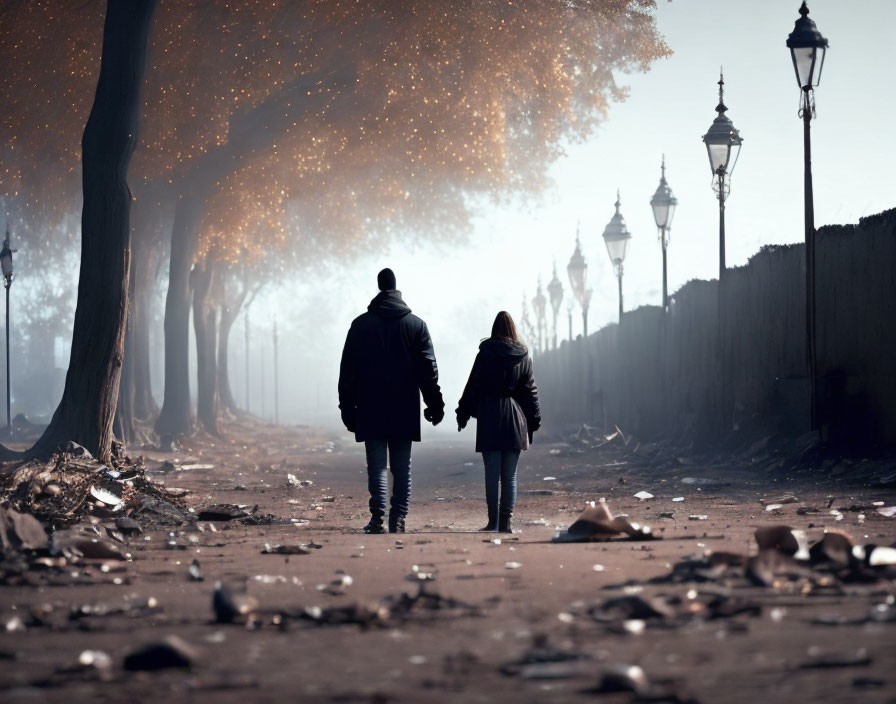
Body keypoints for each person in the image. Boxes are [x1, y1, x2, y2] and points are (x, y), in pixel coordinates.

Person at [338, 268, 444, 534]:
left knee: (376, 467)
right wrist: (434, 403)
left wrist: (347, 408)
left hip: (370, 405)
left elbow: (348, 371)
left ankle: (377, 518)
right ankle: (398, 518)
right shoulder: (416, 326)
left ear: (378, 286)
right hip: (404, 406)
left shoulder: (360, 325)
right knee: (401, 468)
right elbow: (427, 370)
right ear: (397, 288)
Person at [456, 311, 540, 533]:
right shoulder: (523, 355)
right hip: (515, 417)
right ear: (513, 329)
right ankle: (506, 523)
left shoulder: (485, 354)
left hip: (490, 416)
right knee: (509, 476)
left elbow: (473, 386)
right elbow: (530, 392)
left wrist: (462, 412)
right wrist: (534, 420)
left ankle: (492, 521)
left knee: (492, 474)